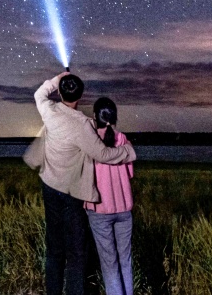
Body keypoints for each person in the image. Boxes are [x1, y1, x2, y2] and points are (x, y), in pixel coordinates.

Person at [24, 72, 136, 295]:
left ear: (60, 92)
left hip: (49, 186)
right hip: (72, 192)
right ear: (80, 96)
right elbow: (103, 153)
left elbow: (39, 93)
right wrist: (127, 151)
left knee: (54, 247)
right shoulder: (83, 124)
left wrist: (58, 78)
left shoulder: (49, 110)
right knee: (76, 251)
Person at [85, 96, 134, 295]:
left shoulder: (91, 142)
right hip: (124, 209)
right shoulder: (123, 139)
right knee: (125, 261)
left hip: (99, 209)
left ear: (95, 116)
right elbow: (129, 173)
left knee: (109, 264)